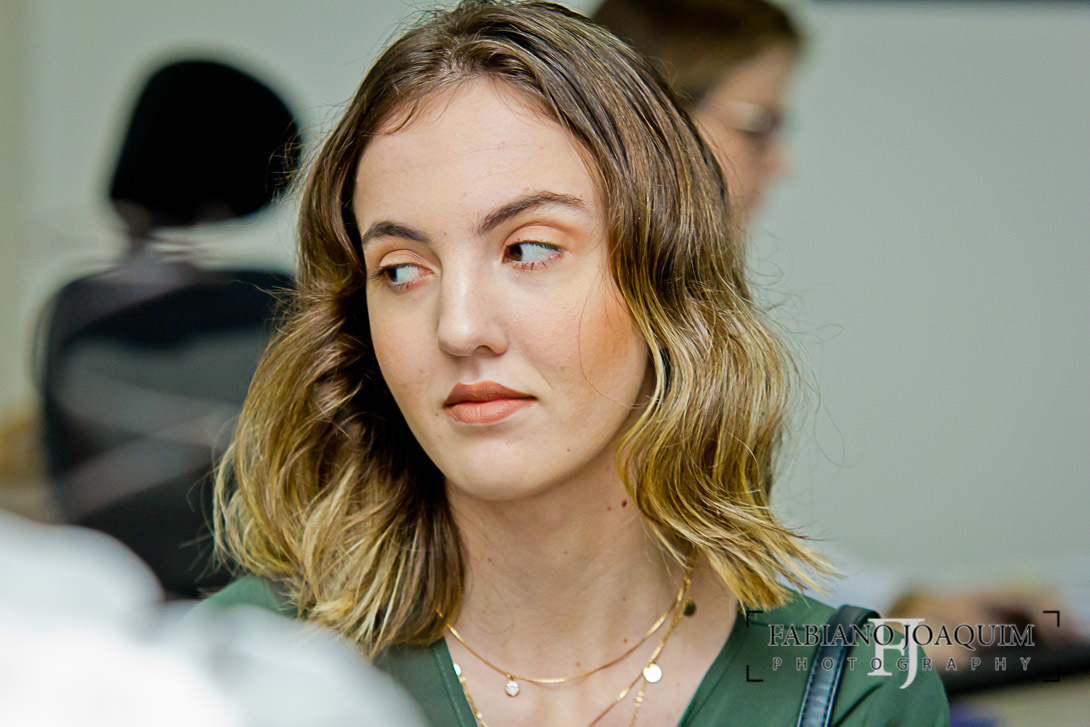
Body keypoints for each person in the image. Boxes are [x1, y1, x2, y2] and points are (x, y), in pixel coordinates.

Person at [203, 1, 948, 724]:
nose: (459, 328)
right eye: (400, 269)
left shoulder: (851, 691)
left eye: (529, 249)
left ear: (666, 283)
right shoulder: (233, 669)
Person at [592, 0, 1089, 673]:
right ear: (652, 124)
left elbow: (715, 549)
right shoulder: (596, 328)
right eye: (759, 127)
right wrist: (874, 640)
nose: (781, 163)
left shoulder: (689, 320)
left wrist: (896, 604)